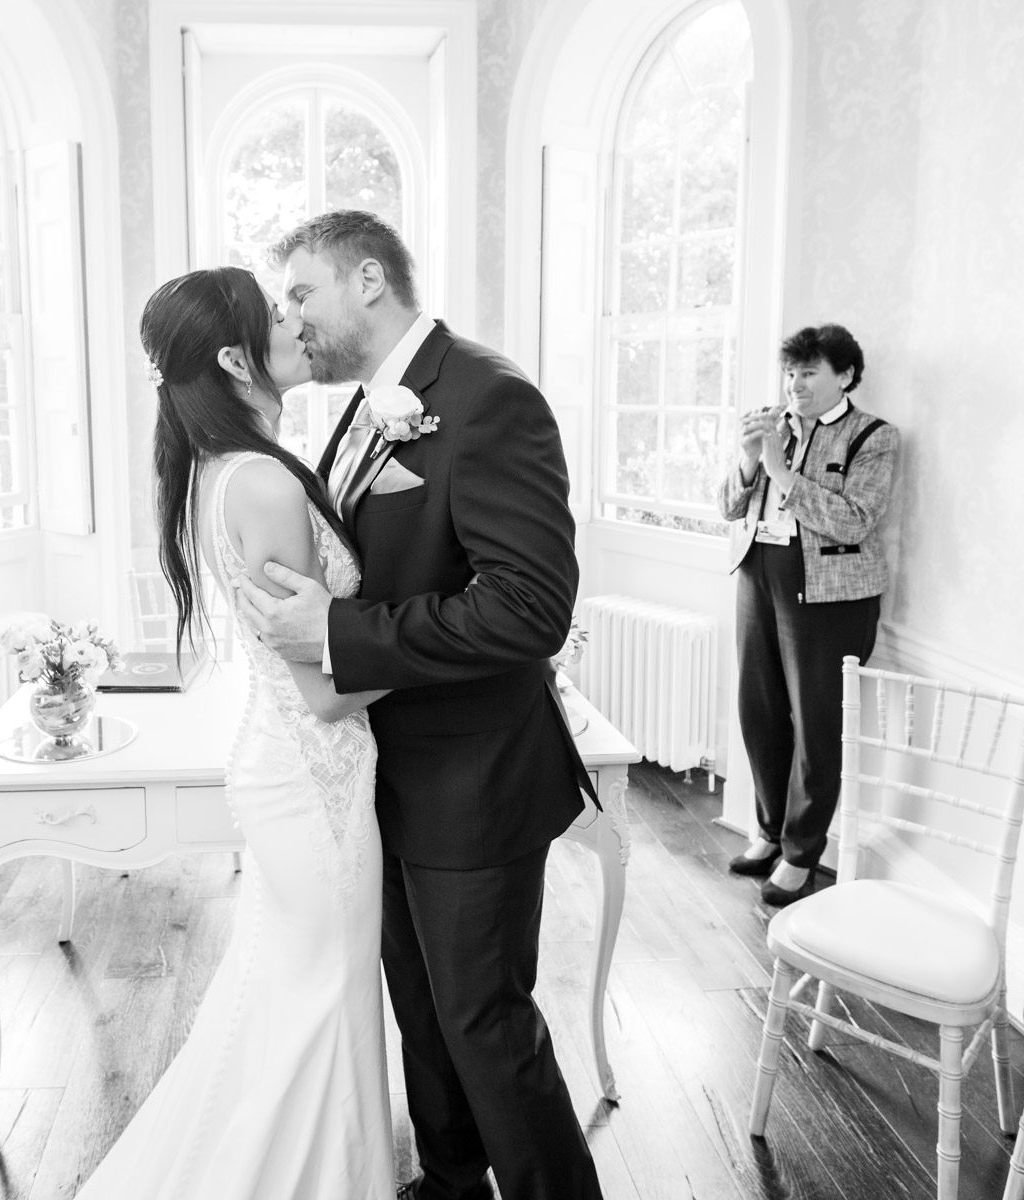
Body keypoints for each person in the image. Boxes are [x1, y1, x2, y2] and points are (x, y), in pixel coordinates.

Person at [237, 211, 604, 1200]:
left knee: (485, 1020)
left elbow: (529, 610)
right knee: (425, 1009)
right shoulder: (365, 410)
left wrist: (336, 636)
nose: (292, 317)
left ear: (367, 279)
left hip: (473, 775)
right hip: (384, 768)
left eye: (301, 292)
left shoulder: (489, 398)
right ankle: (450, 1183)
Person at [73, 266, 394, 1200]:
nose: (295, 322)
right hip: (313, 773)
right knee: (322, 996)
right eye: (276, 312)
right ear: (231, 354)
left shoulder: (225, 469)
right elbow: (326, 690)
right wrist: (445, 650)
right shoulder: (259, 482)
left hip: (291, 765)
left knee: (296, 992)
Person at [718, 324, 898, 907]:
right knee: (759, 711)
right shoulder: (772, 425)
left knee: (816, 727)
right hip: (758, 575)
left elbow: (855, 520)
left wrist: (782, 473)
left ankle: (801, 854)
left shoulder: (874, 436)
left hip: (831, 595)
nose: (794, 384)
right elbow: (726, 506)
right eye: (790, 373)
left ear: (844, 376)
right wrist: (749, 462)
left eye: (808, 373)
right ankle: (769, 832)